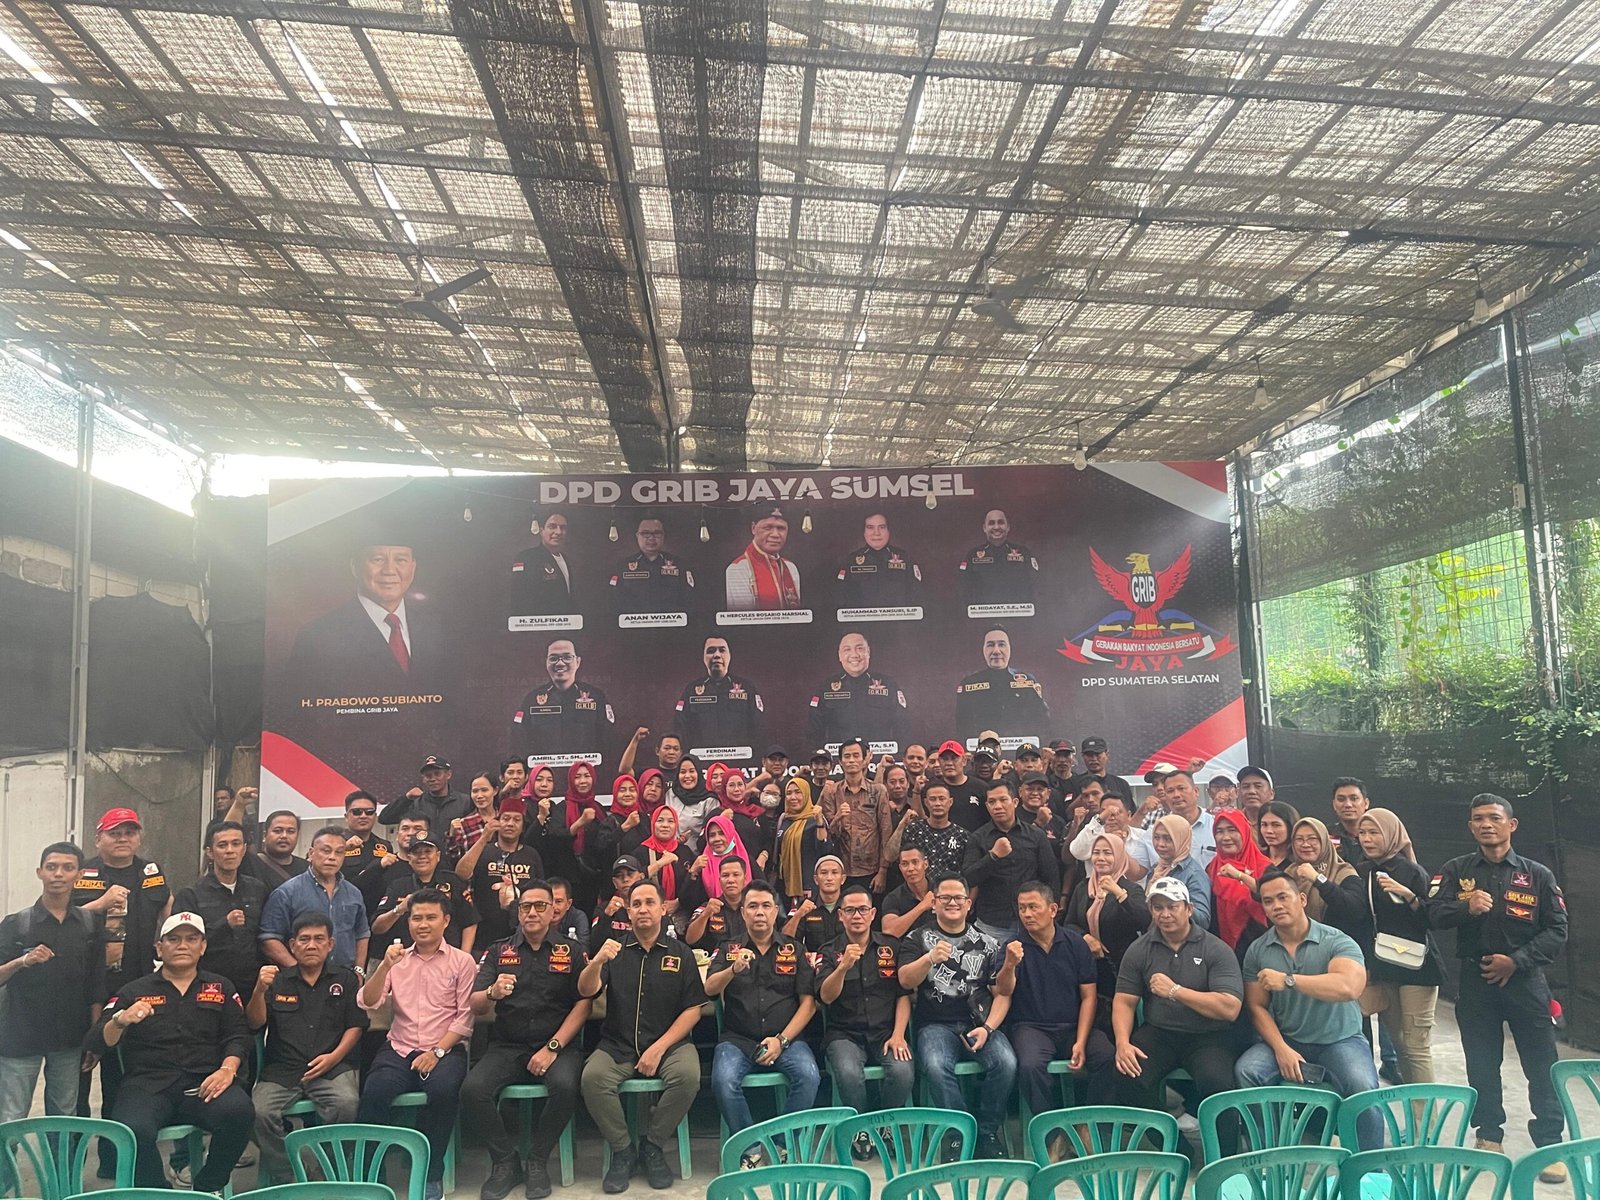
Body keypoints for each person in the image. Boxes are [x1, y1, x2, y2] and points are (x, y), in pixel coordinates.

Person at [1427, 794, 1568, 1171]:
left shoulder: (1537, 875)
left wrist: (1516, 962)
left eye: (1494, 817)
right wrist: (1466, 907)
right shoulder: (1456, 870)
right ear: (1470, 826)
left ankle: (1549, 1144)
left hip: (1526, 981)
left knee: (1542, 1064)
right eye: (1478, 819)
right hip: (1477, 981)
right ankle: (1489, 1135)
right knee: (1482, 1063)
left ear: (1511, 824)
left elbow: (1557, 929)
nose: (1486, 824)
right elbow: (1433, 913)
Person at [87, 911, 254, 1191]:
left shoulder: (221, 987)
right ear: (159, 947)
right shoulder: (133, 991)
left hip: (203, 1084)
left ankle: (208, 1188)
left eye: (191, 939)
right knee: (132, 1130)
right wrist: (120, 1020)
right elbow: (96, 1041)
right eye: (173, 939)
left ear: (203, 946)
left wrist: (228, 1069)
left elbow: (238, 1036)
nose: (182, 945)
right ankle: (157, 1192)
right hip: (148, 1086)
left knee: (241, 1112)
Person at [460, 880, 592, 1200]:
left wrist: (552, 1048)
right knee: (472, 1090)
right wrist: (492, 992)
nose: (532, 912)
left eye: (540, 906)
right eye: (525, 907)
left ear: (553, 911)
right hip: (508, 1045)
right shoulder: (498, 950)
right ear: (518, 912)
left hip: (557, 1046)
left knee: (566, 1087)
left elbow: (584, 1004)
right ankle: (505, 1162)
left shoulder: (572, 951)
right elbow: (475, 1005)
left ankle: (537, 1160)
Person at [1236, 869, 1379, 1148]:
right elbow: (1256, 1006)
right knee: (1248, 1071)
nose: (1276, 906)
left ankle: (1369, 1167)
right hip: (1289, 1038)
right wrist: (1281, 1048)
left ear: (1301, 899)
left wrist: (1289, 980)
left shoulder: (1335, 940)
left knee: (1362, 1086)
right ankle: (1269, 1154)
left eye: (1283, 897)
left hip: (1340, 1040)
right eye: (1268, 901)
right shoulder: (1258, 949)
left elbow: (1349, 987)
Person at [579, 881, 706, 1193]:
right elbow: (586, 990)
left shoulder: (682, 953)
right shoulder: (614, 950)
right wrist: (597, 961)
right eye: (636, 904)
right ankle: (623, 1150)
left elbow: (693, 1010)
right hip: (618, 1043)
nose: (643, 909)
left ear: (663, 909)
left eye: (650, 902)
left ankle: (653, 1145)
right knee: (592, 1079)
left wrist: (659, 1047)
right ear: (628, 911)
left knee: (688, 1076)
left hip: (670, 1044)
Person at [358, 889, 477, 1200]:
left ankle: (430, 1174)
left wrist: (436, 1052)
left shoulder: (462, 962)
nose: (423, 924)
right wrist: (384, 966)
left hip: (444, 1048)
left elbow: (465, 1019)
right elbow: (368, 1002)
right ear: (408, 922)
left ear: (446, 921)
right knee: (374, 1091)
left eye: (430, 918)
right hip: (400, 1046)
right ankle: (372, 1176)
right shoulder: (396, 959)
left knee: (443, 1091)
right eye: (416, 918)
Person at [1112, 878, 1243, 1153]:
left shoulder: (1215, 948)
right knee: (1125, 1073)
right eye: (1158, 907)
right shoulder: (1140, 949)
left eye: (1172, 906)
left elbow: (1230, 1008)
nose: (1165, 914)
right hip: (1160, 1032)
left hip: (1209, 1034)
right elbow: (1124, 1001)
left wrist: (1176, 991)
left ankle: (1226, 1158)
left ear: (1189, 909)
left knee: (1216, 1082)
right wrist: (1123, 1043)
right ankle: (1175, 1148)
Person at [72, 807, 172, 1146]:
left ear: (139, 838)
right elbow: (63, 917)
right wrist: (101, 902)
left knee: (123, 1077)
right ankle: (71, 1155)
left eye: (129, 832)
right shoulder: (82, 872)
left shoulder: (151, 871)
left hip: (136, 986)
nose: (122, 839)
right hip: (86, 988)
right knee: (80, 1074)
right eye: (114, 833)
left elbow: (166, 906)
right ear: (98, 838)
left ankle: (114, 1157)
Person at [897, 875, 1016, 1159]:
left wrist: (988, 1028)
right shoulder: (917, 938)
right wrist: (928, 959)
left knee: (1007, 1063)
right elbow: (904, 980)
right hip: (935, 1025)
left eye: (958, 898)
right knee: (936, 1066)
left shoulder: (988, 943)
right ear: (934, 903)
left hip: (979, 1024)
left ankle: (988, 1132)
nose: (952, 903)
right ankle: (958, 1134)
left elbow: (1002, 993)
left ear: (968, 904)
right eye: (945, 898)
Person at [705, 881, 821, 1168]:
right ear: (743, 912)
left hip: (786, 1040)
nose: (760, 912)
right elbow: (709, 988)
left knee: (809, 1076)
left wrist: (781, 1041)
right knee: (722, 1080)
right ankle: (750, 1147)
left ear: (775, 911)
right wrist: (732, 970)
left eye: (766, 906)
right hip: (738, 1039)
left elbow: (809, 1004)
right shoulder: (728, 948)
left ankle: (782, 1145)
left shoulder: (794, 949)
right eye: (753, 906)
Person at [248, 913, 365, 1185]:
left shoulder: (345, 979)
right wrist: (258, 990)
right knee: (255, 1113)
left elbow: (356, 1025)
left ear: (330, 944)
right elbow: (255, 1022)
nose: (311, 945)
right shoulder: (277, 980)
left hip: (332, 1067)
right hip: (282, 1069)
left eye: (318, 939)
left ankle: (325, 1172)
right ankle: (296, 1174)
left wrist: (334, 1057)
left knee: (347, 1104)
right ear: (292, 945)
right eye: (304, 939)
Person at [0, 843, 104, 1122]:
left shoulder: (89, 925)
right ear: (40, 872)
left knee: (64, 1116)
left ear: (79, 875)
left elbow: (96, 985)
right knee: (11, 1117)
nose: (58, 874)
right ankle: (7, 1155)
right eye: (51, 867)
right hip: (20, 1036)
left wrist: (94, 1038)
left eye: (68, 868)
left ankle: (61, 1155)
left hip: (69, 1037)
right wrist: (22, 962)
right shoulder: (16, 924)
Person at [999, 880, 1116, 1118]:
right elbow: (1003, 991)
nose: (1027, 914)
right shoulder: (1013, 947)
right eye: (1022, 908)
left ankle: (1089, 1124)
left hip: (1073, 1026)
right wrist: (1009, 964)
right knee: (1030, 1066)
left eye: (1033, 907)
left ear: (1053, 909)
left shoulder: (1075, 944)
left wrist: (1081, 1041)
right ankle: (1051, 1130)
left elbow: (1089, 997)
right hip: (1031, 1027)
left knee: (1106, 1055)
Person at [1349, 808, 1442, 1084]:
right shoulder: (1362, 871)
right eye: (1363, 833)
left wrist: (1409, 896)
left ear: (1391, 834)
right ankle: (1414, 1107)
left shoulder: (1411, 871)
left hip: (1418, 968)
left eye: (1374, 832)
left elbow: (1433, 919)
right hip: (1384, 966)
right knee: (1400, 1043)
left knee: (1416, 1045)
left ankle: (1426, 1112)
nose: (1367, 839)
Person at [816, 885, 913, 1144]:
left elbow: (903, 995)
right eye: (850, 910)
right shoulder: (829, 951)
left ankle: (884, 1124)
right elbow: (825, 997)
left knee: (902, 1071)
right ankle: (859, 1128)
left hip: (886, 1032)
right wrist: (842, 968)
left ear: (872, 914)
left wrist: (899, 1035)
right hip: (844, 1034)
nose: (856, 916)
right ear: (840, 915)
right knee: (848, 1073)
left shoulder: (891, 947)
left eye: (862, 910)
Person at [290, 538, 436, 693]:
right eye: (377, 559)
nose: (389, 571)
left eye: (400, 560)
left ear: (413, 568)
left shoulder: (437, 629)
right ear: (355, 566)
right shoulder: (317, 636)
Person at [174, 819, 268, 997]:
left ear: (244, 849)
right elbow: (183, 941)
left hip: (251, 984)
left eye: (236, 844)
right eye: (222, 845)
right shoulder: (191, 894)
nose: (230, 851)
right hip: (207, 986)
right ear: (210, 852)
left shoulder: (257, 889)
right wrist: (225, 924)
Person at [1063, 833, 1149, 1026]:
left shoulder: (1131, 889)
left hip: (1120, 966)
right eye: (1096, 853)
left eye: (1108, 853)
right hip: (1089, 964)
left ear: (1119, 855)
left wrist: (1119, 893)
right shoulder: (1083, 887)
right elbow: (1069, 923)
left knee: (1121, 1019)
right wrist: (1086, 938)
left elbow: (1144, 920)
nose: (1101, 858)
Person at [260, 827, 371, 969]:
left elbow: (362, 934)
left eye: (339, 852)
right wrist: (298, 971)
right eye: (326, 851)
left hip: (345, 975)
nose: (332, 857)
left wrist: (359, 971)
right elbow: (269, 938)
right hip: (301, 975)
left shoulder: (353, 893)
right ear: (311, 853)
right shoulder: (287, 892)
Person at [963, 782, 1059, 937]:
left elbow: (1051, 876)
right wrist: (993, 856)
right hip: (993, 921)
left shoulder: (1036, 835)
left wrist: (1050, 915)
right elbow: (969, 878)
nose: (998, 806)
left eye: (1003, 800)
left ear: (1015, 802)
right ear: (987, 806)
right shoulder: (978, 837)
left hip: (1032, 918)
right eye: (992, 802)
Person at [509, 641, 617, 768]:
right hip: (545, 777)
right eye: (553, 658)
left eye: (567, 657)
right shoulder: (531, 700)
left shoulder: (596, 697)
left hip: (584, 776)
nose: (560, 663)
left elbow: (608, 741)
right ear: (546, 662)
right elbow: (519, 741)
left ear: (578, 662)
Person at [455, 796, 544, 946]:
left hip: (522, 935)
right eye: (505, 818)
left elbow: (541, 892)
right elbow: (461, 874)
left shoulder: (532, 855)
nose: (510, 823)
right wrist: (483, 838)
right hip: (485, 935)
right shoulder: (484, 851)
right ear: (497, 822)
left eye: (516, 820)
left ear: (523, 826)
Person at [370, 837, 478, 953]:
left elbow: (470, 921)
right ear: (409, 858)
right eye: (417, 853)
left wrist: (464, 955)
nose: (422, 856)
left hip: (447, 957)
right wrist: (399, 909)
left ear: (438, 856)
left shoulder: (453, 882)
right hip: (406, 957)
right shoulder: (397, 885)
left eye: (427, 851)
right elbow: (377, 928)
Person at [807, 633, 910, 753]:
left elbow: (903, 727)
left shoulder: (888, 684)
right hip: (840, 760)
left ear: (868, 652)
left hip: (880, 757)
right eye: (847, 649)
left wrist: (898, 757)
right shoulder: (826, 687)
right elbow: (813, 730)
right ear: (840, 655)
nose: (854, 655)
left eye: (860, 648)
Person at [672, 637, 767, 764]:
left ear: (729, 656)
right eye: (711, 651)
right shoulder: (691, 690)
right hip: (702, 763)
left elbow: (759, 728)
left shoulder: (747, 687)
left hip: (740, 763)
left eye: (722, 650)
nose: (717, 655)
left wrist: (754, 761)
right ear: (704, 657)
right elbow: (680, 728)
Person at [820, 737, 896, 892]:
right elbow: (825, 835)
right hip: (840, 870)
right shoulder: (831, 792)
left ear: (864, 760)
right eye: (847, 756)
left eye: (856, 756)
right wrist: (838, 818)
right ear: (840, 762)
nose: (851, 760)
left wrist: (883, 871)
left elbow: (885, 831)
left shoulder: (878, 791)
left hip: (872, 870)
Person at [955, 625, 1049, 741]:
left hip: (1021, 749)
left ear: (1009, 648)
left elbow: (1041, 721)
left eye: (1001, 644)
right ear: (983, 649)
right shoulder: (969, 684)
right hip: (983, 750)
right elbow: (962, 728)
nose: (996, 651)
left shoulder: (1027, 681)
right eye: (990, 645)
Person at [1207, 809, 1270, 954]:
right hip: (1221, 950)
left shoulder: (1264, 867)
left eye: (1232, 830)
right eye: (1219, 831)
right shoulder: (1211, 868)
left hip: (1261, 947)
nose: (1226, 837)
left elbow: (1271, 896)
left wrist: (1241, 876)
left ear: (1244, 832)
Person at [834, 511, 924, 611]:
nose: (876, 533)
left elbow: (918, 596)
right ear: (864, 532)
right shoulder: (851, 560)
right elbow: (840, 597)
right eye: (870, 527)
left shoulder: (905, 558)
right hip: (862, 620)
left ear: (889, 531)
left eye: (882, 527)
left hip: (897, 619)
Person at [610, 513, 697, 616]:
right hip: (634, 624)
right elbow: (614, 601)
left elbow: (690, 599)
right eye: (645, 533)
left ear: (663, 536)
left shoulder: (680, 565)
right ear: (637, 536)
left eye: (657, 533)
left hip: (671, 623)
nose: (651, 538)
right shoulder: (622, 567)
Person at [1285, 818, 1362, 932]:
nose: (1305, 844)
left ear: (1324, 841)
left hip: (1334, 939)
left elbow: (1355, 909)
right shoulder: (1289, 873)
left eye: (1312, 839)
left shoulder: (1343, 871)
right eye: (1299, 839)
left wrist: (1318, 879)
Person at [888, 780, 971, 881]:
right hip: (915, 888)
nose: (937, 803)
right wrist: (902, 825)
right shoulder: (913, 829)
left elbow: (968, 873)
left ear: (950, 802)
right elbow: (889, 857)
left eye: (942, 799)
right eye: (933, 799)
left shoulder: (962, 836)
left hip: (949, 889)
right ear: (926, 802)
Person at [1133, 769, 1215, 869]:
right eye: (1170, 791)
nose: (1176, 795)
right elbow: (1136, 871)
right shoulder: (1154, 832)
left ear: (1196, 791)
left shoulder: (1216, 826)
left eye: (1181, 788)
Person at [725, 504, 802, 610]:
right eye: (768, 528)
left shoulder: (790, 567)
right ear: (753, 528)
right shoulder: (738, 569)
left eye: (781, 528)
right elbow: (742, 618)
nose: (775, 534)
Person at [1143, 814, 1213, 932]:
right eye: (1156, 837)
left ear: (1181, 839)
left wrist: (1177, 902)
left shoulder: (1193, 874)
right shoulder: (1157, 869)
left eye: (1168, 839)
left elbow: (1203, 921)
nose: (1160, 844)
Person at [958, 508, 1038, 609]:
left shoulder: (1023, 553)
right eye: (991, 523)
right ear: (984, 528)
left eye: (1001, 522)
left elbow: (1035, 586)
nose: (996, 527)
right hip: (982, 615)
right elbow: (963, 589)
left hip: (1017, 614)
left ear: (1008, 527)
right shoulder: (972, 555)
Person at [355, 813, 433, 916]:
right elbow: (355, 890)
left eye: (417, 829)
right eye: (405, 829)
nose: (410, 833)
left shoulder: (437, 866)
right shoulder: (382, 865)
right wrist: (378, 866)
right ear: (397, 835)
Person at [775, 778, 830, 905]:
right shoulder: (784, 820)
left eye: (798, 792)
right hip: (786, 886)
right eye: (789, 793)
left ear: (806, 794)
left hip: (809, 886)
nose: (793, 797)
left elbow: (825, 850)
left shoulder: (815, 819)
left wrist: (819, 823)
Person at [510, 510, 576, 615]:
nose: (558, 532)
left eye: (563, 528)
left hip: (565, 621)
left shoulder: (566, 559)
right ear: (541, 530)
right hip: (538, 622)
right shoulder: (526, 557)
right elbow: (519, 597)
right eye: (552, 526)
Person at [381, 754, 473, 829]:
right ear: (423, 779)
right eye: (428, 775)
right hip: (424, 847)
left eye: (437, 774)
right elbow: (384, 818)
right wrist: (406, 798)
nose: (432, 779)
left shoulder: (465, 802)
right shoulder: (416, 803)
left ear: (448, 774)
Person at [1068, 791, 1148, 872]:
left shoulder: (1142, 836)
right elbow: (1076, 852)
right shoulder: (1092, 834)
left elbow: (1143, 871)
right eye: (1105, 812)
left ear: (1129, 815)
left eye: (1117, 812)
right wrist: (1099, 820)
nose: (1111, 817)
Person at [784, 854, 848, 952]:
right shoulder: (803, 906)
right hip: (814, 960)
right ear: (816, 879)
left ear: (843, 879)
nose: (829, 878)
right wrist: (798, 915)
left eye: (835, 872)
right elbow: (784, 940)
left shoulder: (851, 907)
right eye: (824, 873)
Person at [238, 810, 309, 889]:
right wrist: (238, 806)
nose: (284, 836)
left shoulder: (307, 869)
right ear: (265, 835)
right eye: (277, 831)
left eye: (290, 831)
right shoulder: (249, 863)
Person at [663, 756, 720, 850]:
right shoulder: (670, 794)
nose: (687, 776)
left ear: (699, 773)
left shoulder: (710, 800)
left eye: (692, 771)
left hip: (697, 854)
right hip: (668, 852)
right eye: (683, 772)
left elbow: (712, 833)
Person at [591, 857, 648, 951]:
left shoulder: (652, 907)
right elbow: (594, 946)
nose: (625, 879)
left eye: (630, 874)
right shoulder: (603, 909)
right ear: (614, 883)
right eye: (619, 876)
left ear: (641, 877)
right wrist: (606, 916)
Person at [447, 771, 502, 866]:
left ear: (495, 791)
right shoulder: (464, 824)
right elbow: (455, 861)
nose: (479, 796)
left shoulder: (505, 819)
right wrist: (452, 836)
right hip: (475, 874)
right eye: (475, 791)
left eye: (484, 790)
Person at [880, 846, 935, 937]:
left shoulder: (940, 890)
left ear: (925, 864)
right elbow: (888, 932)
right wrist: (922, 906)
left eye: (915, 862)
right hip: (906, 945)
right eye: (905, 864)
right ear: (900, 868)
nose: (910, 868)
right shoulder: (893, 898)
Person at [339, 791, 393, 880]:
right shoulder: (335, 844)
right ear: (346, 816)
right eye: (357, 812)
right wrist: (342, 849)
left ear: (375, 816)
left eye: (369, 812)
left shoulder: (385, 846)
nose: (363, 816)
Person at [1068, 736, 1134, 805]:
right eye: (1089, 755)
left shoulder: (1121, 784)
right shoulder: (1074, 783)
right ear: (1083, 756)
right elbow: (1067, 810)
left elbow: (1129, 810)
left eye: (1097, 754)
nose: (1094, 759)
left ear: (1107, 754)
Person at [1329, 777, 1371, 864]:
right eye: (1341, 799)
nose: (1348, 804)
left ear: (1366, 803)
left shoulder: (1380, 835)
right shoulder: (1325, 836)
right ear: (1334, 804)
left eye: (1354, 799)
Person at [1257, 801, 1299, 868]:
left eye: (1276, 825)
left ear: (1290, 826)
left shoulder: (1299, 862)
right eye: (1264, 825)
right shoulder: (1256, 858)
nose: (1269, 831)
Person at [1235, 765, 1275, 830]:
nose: (1251, 791)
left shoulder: (1282, 822)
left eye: (1258, 786)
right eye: (1246, 787)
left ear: (1271, 793)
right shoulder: (1232, 822)